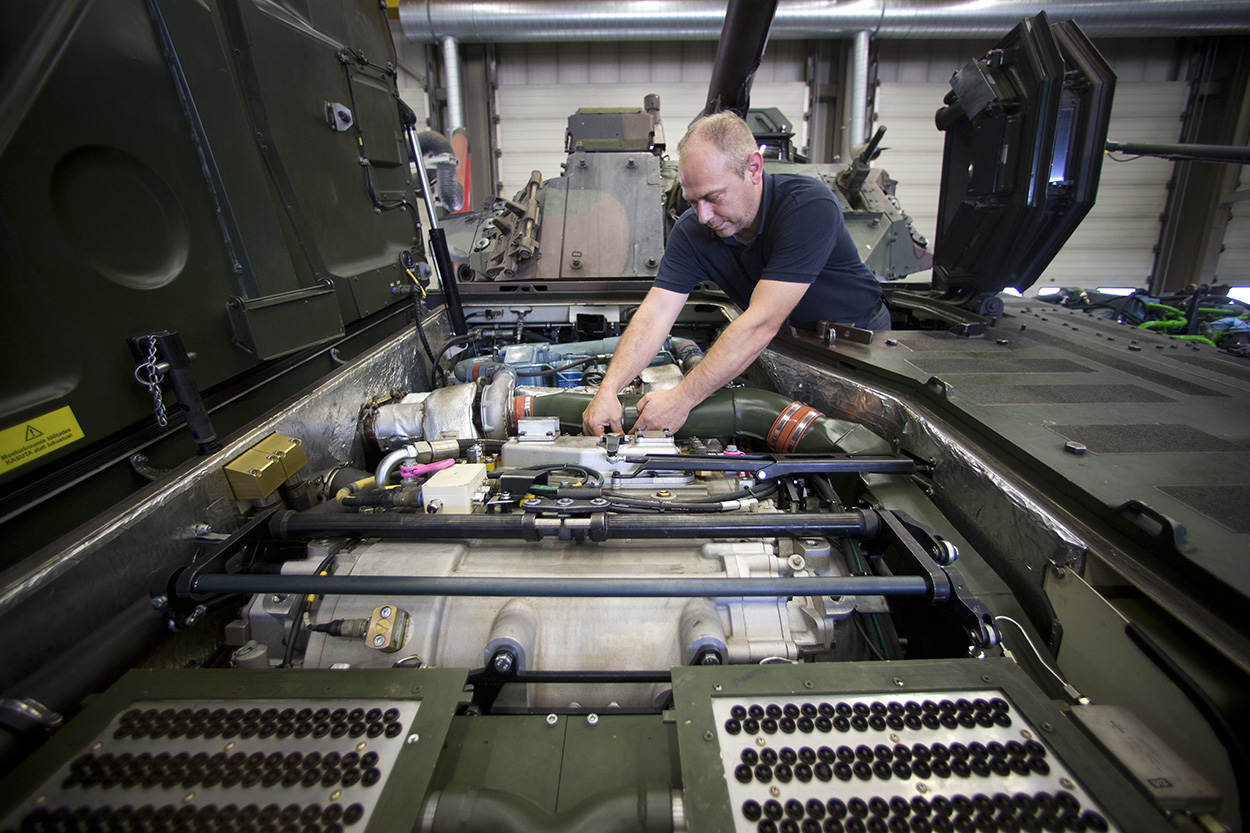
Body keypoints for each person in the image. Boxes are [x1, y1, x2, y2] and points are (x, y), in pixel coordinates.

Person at [581, 110, 888, 436]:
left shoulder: (807, 206)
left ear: (753, 168)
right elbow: (656, 314)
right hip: (785, 347)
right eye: (693, 201)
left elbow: (760, 324)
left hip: (857, 352)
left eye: (713, 197)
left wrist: (681, 399)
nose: (703, 216)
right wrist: (609, 389)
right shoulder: (692, 231)